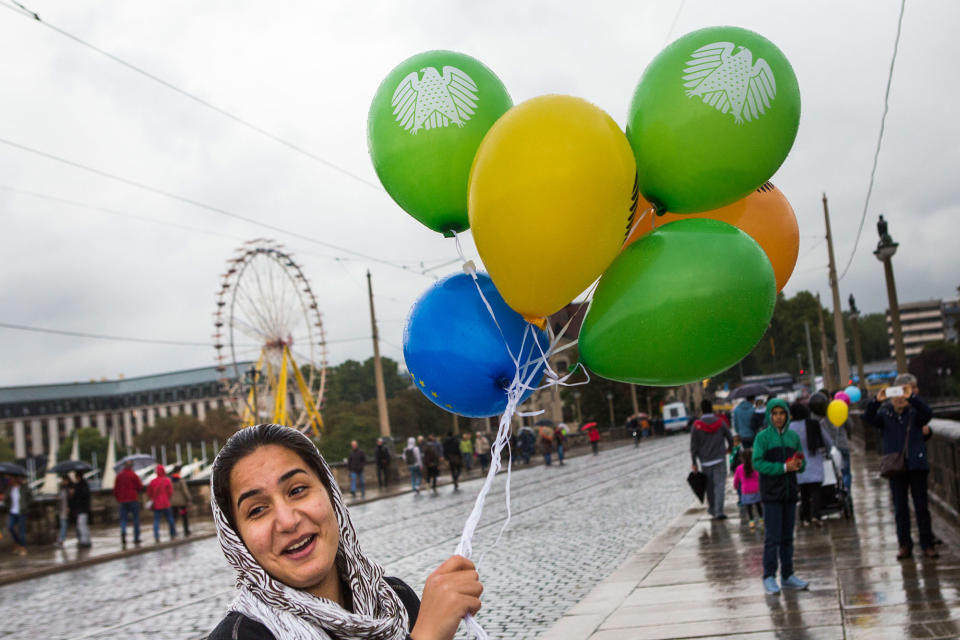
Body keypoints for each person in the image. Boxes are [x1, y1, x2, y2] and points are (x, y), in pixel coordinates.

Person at [206, 423, 482, 640]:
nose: (287, 521)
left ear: (331, 495)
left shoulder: (395, 598)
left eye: (297, 490)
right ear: (236, 539)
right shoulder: (238, 636)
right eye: (257, 510)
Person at [864, 374, 936, 560]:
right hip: (895, 467)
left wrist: (911, 397)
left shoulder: (915, 414)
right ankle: (904, 544)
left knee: (921, 507)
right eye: (895, 394)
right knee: (900, 508)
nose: (899, 398)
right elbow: (868, 418)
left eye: (902, 394)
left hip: (917, 465)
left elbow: (928, 413)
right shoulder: (885, 415)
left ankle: (927, 544)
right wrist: (876, 400)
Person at [753, 398, 809, 595]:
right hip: (771, 495)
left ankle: (787, 574)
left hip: (790, 493)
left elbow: (802, 463)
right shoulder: (762, 438)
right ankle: (769, 575)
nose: (778, 417)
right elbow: (757, 463)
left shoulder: (793, 437)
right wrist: (783, 467)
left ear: (787, 415)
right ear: (769, 415)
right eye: (775, 414)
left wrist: (798, 464)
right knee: (772, 538)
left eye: (782, 413)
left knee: (787, 538)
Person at [789, 403, 832, 527]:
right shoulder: (813, 424)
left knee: (803, 493)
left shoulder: (789, 428)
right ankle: (816, 515)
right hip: (814, 461)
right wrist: (827, 453)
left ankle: (805, 518)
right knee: (816, 491)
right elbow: (827, 442)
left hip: (798, 463)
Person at [690, 399, 734, 520]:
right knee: (719, 485)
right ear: (712, 408)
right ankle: (719, 511)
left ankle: (712, 509)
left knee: (709, 487)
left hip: (704, 461)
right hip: (719, 459)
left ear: (702, 410)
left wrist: (694, 462)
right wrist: (730, 448)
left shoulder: (696, 426)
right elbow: (730, 437)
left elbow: (693, 446)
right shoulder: (720, 423)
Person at [815, 392, 853, 497]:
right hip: (843, 444)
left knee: (831, 472)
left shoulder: (819, 414)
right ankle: (846, 492)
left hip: (828, 447)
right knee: (846, 472)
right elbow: (850, 425)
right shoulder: (840, 407)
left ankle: (834, 493)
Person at [114, 459, 143, 547]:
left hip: (122, 501)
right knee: (136, 519)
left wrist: (119, 499)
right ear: (131, 466)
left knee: (123, 519)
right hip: (133, 499)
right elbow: (139, 486)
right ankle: (136, 537)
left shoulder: (119, 476)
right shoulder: (133, 475)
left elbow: (115, 489)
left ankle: (123, 531)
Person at [733, 449, 762, 529]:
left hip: (746, 491)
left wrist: (735, 486)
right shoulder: (755, 466)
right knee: (758, 505)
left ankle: (751, 521)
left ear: (742, 458)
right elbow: (759, 477)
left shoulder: (739, 468)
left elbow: (736, 480)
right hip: (756, 489)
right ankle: (761, 519)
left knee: (749, 507)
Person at [147, 464, 176, 542]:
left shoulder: (153, 481)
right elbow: (170, 492)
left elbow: (149, 493)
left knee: (156, 521)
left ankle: (156, 537)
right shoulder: (167, 480)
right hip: (166, 503)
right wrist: (167, 498)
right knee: (170, 519)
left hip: (156, 504)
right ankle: (173, 534)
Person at [4, 474, 30, 555]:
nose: (11, 480)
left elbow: (30, 497)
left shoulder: (24, 488)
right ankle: (18, 543)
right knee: (10, 527)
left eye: (12, 479)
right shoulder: (10, 488)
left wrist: (26, 505)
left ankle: (23, 548)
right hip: (12, 511)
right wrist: (8, 505)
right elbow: (6, 499)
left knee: (22, 530)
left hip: (22, 512)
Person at [71, 471, 93, 547]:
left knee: (81, 524)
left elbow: (83, 495)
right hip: (81, 508)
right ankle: (85, 540)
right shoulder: (80, 485)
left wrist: (75, 492)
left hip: (82, 508)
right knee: (82, 524)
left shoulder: (82, 485)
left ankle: (85, 541)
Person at [170, 464, 192, 537]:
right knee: (184, 516)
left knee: (174, 517)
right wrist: (189, 498)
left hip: (173, 502)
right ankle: (186, 531)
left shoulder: (170, 480)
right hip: (182, 502)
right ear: (179, 471)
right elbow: (185, 491)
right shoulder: (181, 480)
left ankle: (173, 531)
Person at [55, 476, 71, 547]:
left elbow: (68, 500)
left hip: (64, 510)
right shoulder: (62, 489)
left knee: (64, 525)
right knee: (63, 525)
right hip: (62, 510)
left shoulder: (67, 489)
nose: (64, 482)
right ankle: (61, 540)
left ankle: (61, 540)